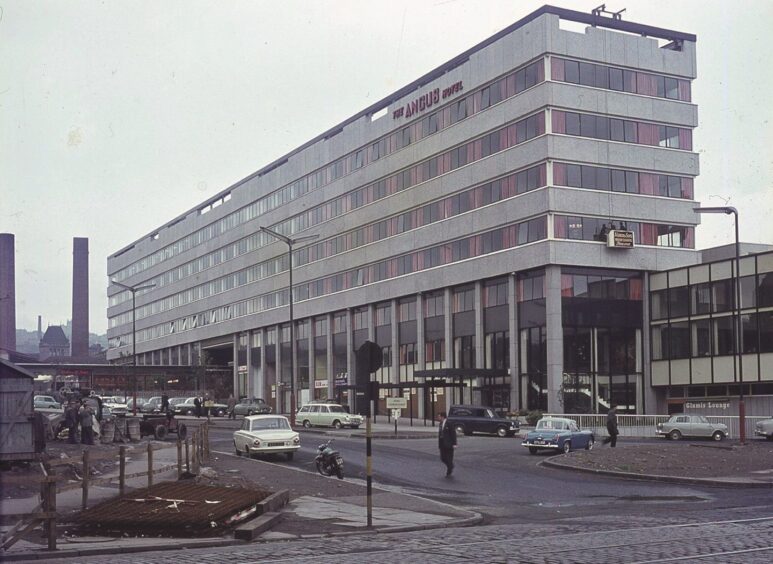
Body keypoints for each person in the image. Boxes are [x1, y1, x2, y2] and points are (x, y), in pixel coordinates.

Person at [437, 411, 457, 476]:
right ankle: (451, 466)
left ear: (442, 417)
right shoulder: (440, 423)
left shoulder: (449, 423)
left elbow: (453, 433)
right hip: (442, 443)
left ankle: (449, 470)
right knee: (442, 458)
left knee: (449, 458)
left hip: (449, 444)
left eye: (439, 416)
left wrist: (454, 443)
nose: (438, 418)